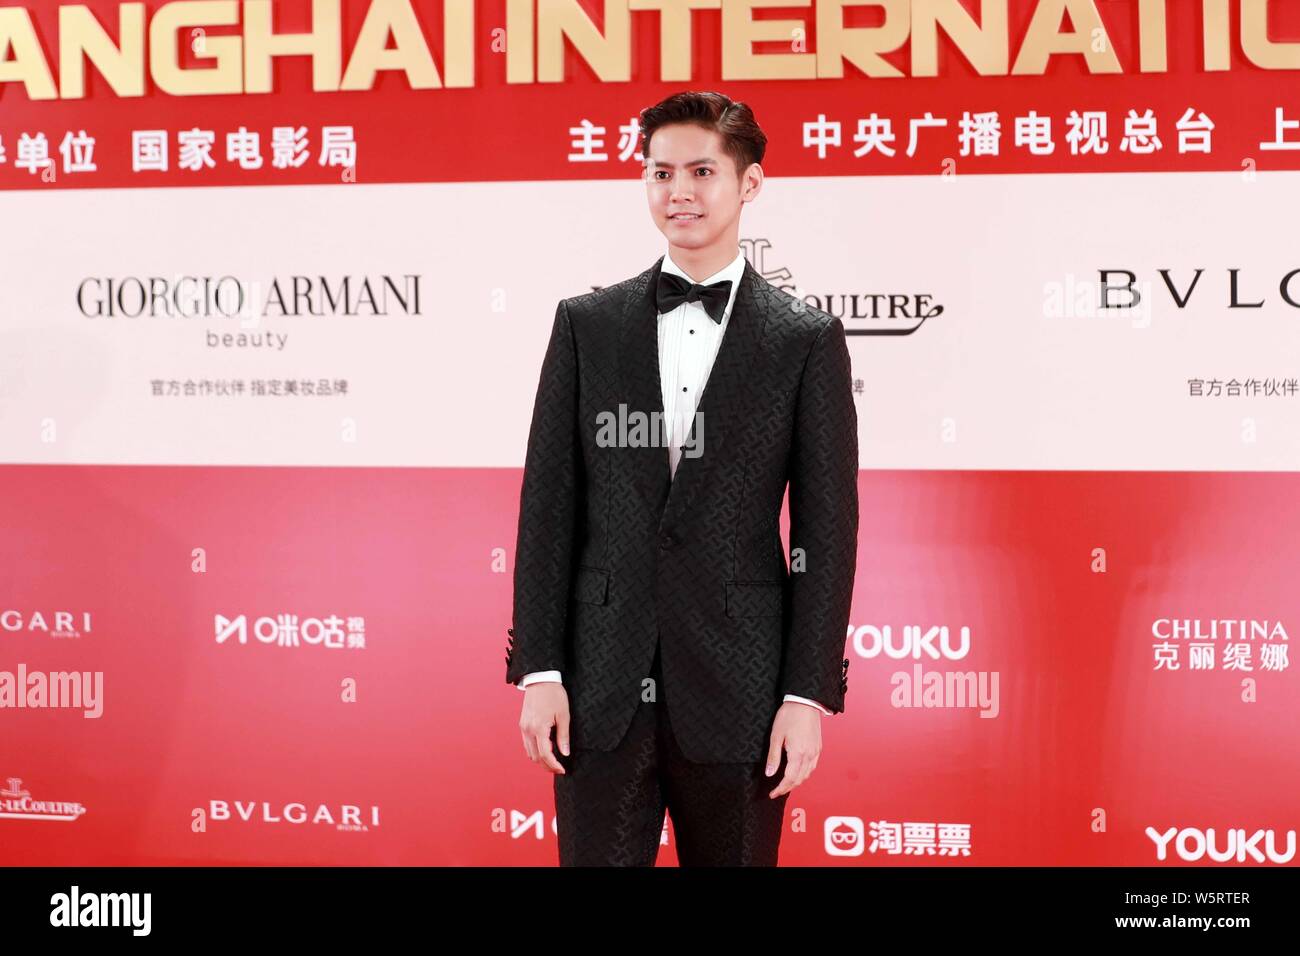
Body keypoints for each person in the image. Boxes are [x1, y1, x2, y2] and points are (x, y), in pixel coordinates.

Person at [505, 90, 858, 866]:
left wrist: (805, 695)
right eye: (660, 173)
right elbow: (548, 508)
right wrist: (539, 667)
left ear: (749, 184)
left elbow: (827, 533)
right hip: (597, 687)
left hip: (744, 689)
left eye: (702, 171)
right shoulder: (585, 326)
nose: (679, 192)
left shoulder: (805, 340)